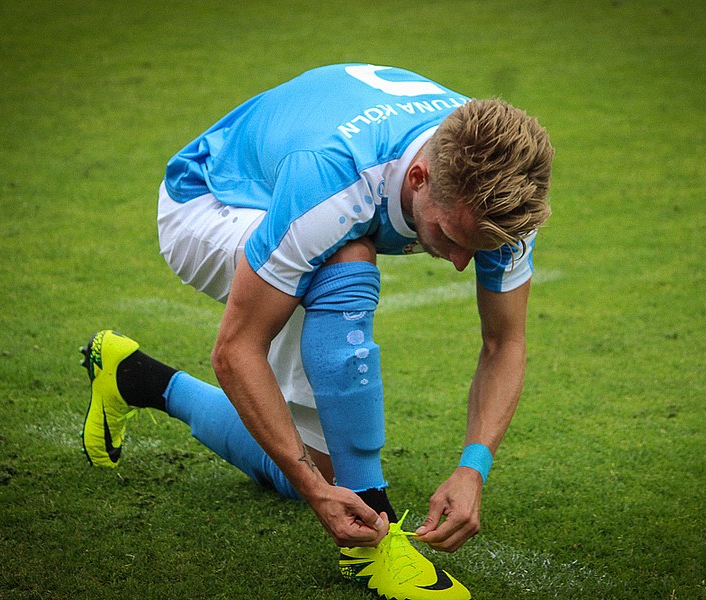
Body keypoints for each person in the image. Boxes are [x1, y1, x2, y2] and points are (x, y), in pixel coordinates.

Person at [79, 63, 553, 600]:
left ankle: (134, 376)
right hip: (209, 199)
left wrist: (473, 467)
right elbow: (236, 349)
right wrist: (316, 491)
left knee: (318, 470)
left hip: (302, 192)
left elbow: (504, 342)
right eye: (450, 236)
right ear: (419, 178)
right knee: (345, 256)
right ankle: (373, 544)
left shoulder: (503, 192)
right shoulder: (336, 181)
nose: (462, 263)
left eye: (479, 248)